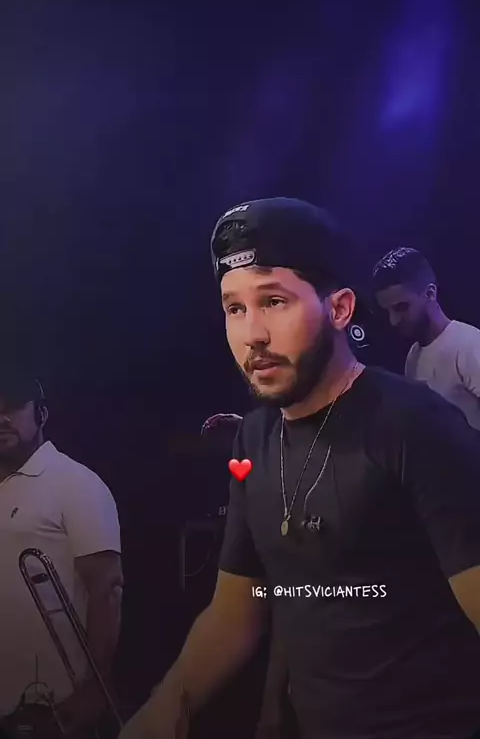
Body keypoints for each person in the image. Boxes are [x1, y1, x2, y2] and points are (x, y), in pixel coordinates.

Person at [120, 198, 480, 739]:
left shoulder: (417, 427)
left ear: (340, 310)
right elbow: (236, 612)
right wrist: (164, 710)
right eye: (235, 308)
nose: (253, 334)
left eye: (274, 301)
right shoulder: (254, 438)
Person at [0, 368, 123, 734]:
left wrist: (95, 687)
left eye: (13, 407)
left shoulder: (75, 483)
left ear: (41, 414)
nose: (2, 418)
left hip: (50, 702)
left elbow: (108, 589)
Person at [372, 246, 480, 429]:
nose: (393, 320)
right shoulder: (413, 356)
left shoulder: (469, 344)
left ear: (430, 293)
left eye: (401, 307)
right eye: (387, 311)